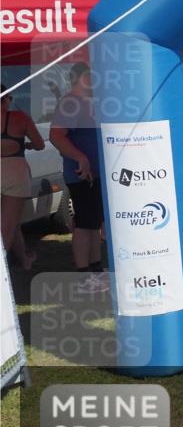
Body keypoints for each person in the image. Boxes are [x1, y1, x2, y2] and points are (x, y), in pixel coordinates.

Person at [49, 63, 107, 291]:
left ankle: (95, 269)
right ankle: (84, 276)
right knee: (84, 224)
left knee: (93, 224)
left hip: (95, 173)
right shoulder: (71, 103)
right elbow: (56, 135)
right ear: (80, 79)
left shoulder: (88, 103)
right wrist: (80, 157)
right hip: (81, 174)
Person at [1, 85, 44, 270]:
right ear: (7, 98)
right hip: (15, 172)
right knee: (9, 225)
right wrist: (26, 145)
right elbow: (40, 144)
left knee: (12, 222)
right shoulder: (20, 118)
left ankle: (24, 260)